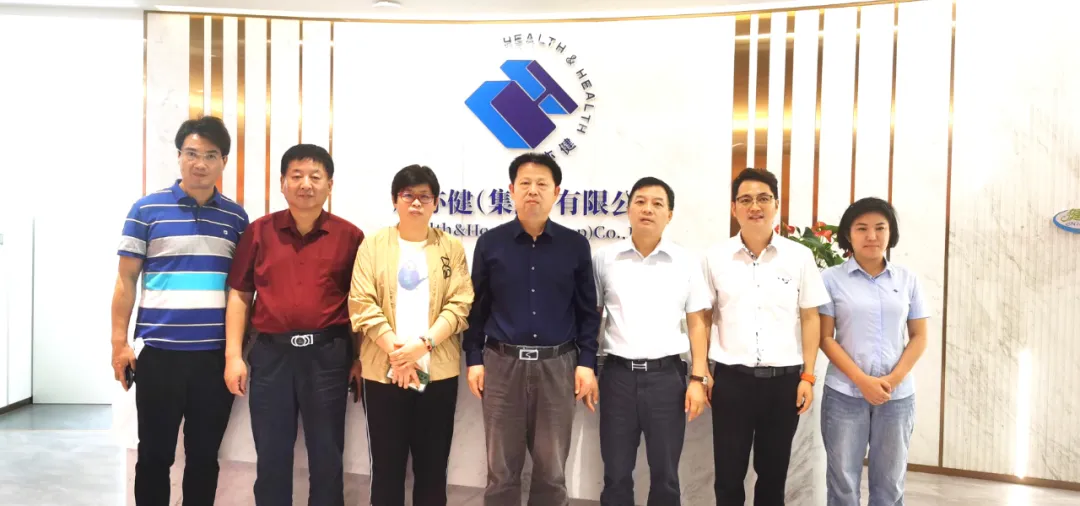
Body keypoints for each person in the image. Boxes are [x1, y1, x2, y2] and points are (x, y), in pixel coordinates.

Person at [112, 116, 249, 505]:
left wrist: (235, 353)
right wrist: (119, 343)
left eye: (210, 155)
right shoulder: (146, 210)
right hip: (159, 356)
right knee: (154, 456)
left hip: (213, 359)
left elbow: (241, 291)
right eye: (192, 153)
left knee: (204, 458)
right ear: (178, 156)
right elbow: (125, 280)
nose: (200, 163)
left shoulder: (236, 218)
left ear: (224, 161)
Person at [223, 144, 364, 506]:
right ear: (282, 183)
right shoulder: (259, 232)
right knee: (271, 456)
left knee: (327, 456)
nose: (306, 184)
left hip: (328, 358)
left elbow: (360, 304)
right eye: (297, 176)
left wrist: (358, 358)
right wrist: (233, 357)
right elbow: (240, 295)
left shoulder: (350, 237)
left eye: (316, 177)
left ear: (329, 184)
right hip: (272, 357)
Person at [462, 152, 601, 506]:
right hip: (501, 364)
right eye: (525, 183)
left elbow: (588, 312)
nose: (533, 191)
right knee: (501, 471)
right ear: (511, 190)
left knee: (552, 471)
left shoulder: (575, 246)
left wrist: (587, 362)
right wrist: (474, 358)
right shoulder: (491, 243)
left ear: (557, 192)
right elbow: (476, 308)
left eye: (542, 184)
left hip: (558, 366)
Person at [348, 165, 474, 506]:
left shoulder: (451, 247)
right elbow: (361, 302)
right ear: (395, 200)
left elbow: (460, 303)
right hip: (382, 373)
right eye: (408, 195)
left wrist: (422, 345)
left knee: (432, 469)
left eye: (424, 196)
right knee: (386, 469)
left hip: (437, 373)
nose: (416, 203)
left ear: (436, 202)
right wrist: (398, 354)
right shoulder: (373, 245)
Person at [703, 168, 830, 506]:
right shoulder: (715, 257)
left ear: (776, 204)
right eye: (745, 200)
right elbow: (703, 317)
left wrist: (808, 376)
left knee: (773, 477)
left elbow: (810, 317)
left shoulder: (799, 257)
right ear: (734, 208)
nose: (754, 206)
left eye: (763, 198)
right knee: (728, 476)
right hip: (731, 382)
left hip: (783, 384)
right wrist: (702, 373)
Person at [592, 177, 712, 506]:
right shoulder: (604, 259)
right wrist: (585, 367)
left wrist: (698, 378)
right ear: (628, 209)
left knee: (666, 475)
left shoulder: (685, 261)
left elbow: (697, 323)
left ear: (669, 215)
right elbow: (592, 318)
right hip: (617, 377)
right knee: (615, 473)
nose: (648, 209)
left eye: (657, 204)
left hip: (667, 380)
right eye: (640, 201)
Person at [818, 197, 928, 506]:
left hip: (897, 397)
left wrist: (891, 380)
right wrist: (862, 381)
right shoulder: (830, 279)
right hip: (844, 394)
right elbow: (825, 338)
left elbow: (919, 337)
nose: (872, 236)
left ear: (891, 233)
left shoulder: (907, 279)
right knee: (842, 483)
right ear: (848, 234)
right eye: (862, 228)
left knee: (890, 484)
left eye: (880, 228)